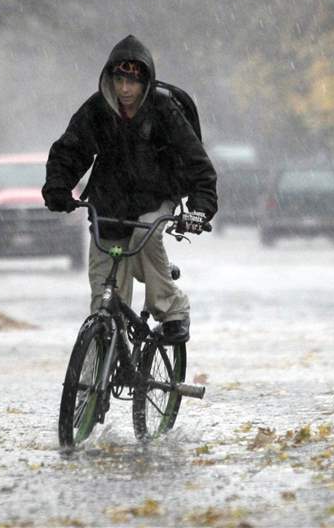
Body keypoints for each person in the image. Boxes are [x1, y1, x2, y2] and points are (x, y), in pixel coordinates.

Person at [42, 34, 218, 344]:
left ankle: (172, 308)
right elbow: (70, 150)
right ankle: (93, 382)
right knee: (104, 301)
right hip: (108, 206)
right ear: (109, 79)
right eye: (119, 79)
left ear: (145, 82)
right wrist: (58, 188)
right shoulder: (97, 110)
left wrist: (200, 207)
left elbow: (196, 160)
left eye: (133, 82)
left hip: (155, 199)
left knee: (145, 233)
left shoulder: (163, 110)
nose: (125, 89)